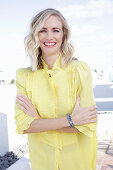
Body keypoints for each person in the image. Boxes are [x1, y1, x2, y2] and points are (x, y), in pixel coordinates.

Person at [15, 8, 98, 170]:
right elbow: (23, 126)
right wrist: (70, 120)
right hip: (43, 161)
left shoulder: (79, 70)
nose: (49, 36)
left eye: (56, 30)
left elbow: (87, 126)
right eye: (42, 31)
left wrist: (38, 120)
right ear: (35, 35)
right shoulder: (24, 76)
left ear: (63, 35)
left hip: (78, 160)